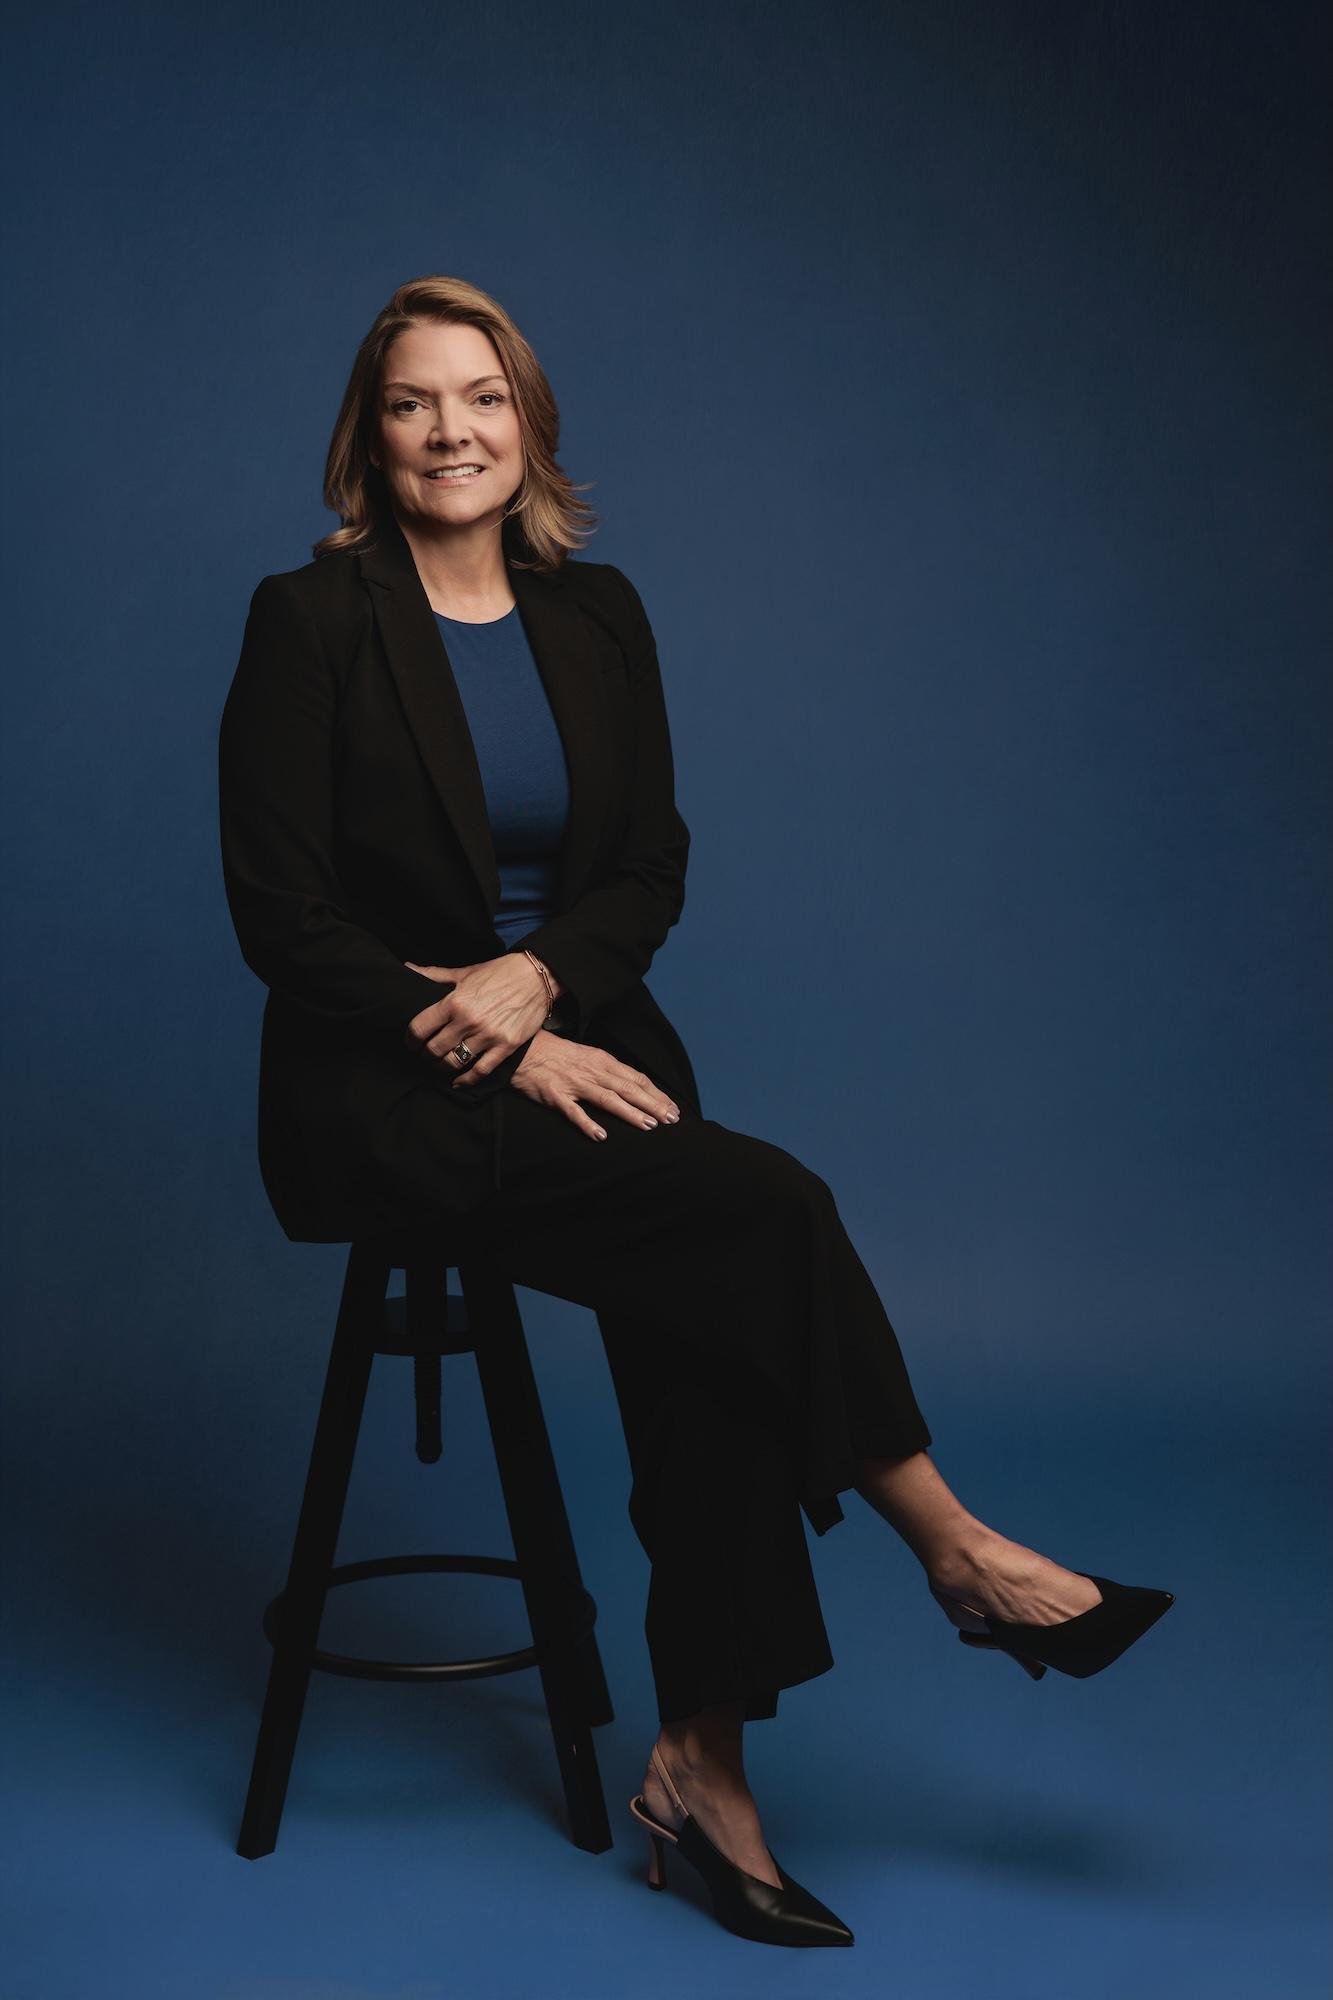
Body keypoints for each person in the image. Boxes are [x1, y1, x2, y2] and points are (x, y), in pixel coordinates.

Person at [217, 274, 1175, 1949]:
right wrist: (500, 1029)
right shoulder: (309, 626)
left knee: (715, 1312)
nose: (452, 431)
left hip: (598, 1040)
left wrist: (552, 987)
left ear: (531, 421)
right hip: (384, 1088)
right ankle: (950, 1548)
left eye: (482, 397)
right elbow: (279, 919)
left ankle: (699, 1771)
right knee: (767, 1212)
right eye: (412, 403)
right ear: (367, 438)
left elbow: (647, 866)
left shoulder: (599, 619)